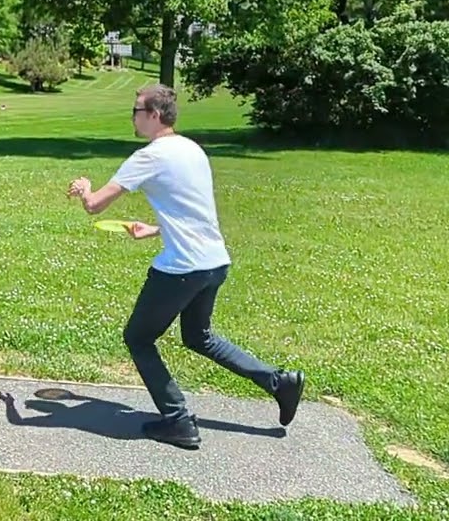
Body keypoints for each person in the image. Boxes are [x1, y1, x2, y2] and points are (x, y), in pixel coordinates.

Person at [66, 83, 304, 450]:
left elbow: (96, 205)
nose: (132, 117)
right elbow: (194, 208)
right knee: (199, 337)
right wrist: (157, 227)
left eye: (136, 111)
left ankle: (178, 421)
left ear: (154, 115)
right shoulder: (192, 149)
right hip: (214, 262)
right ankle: (280, 382)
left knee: (139, 338)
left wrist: (84, 188)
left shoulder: (148, 156)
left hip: (182, 268)